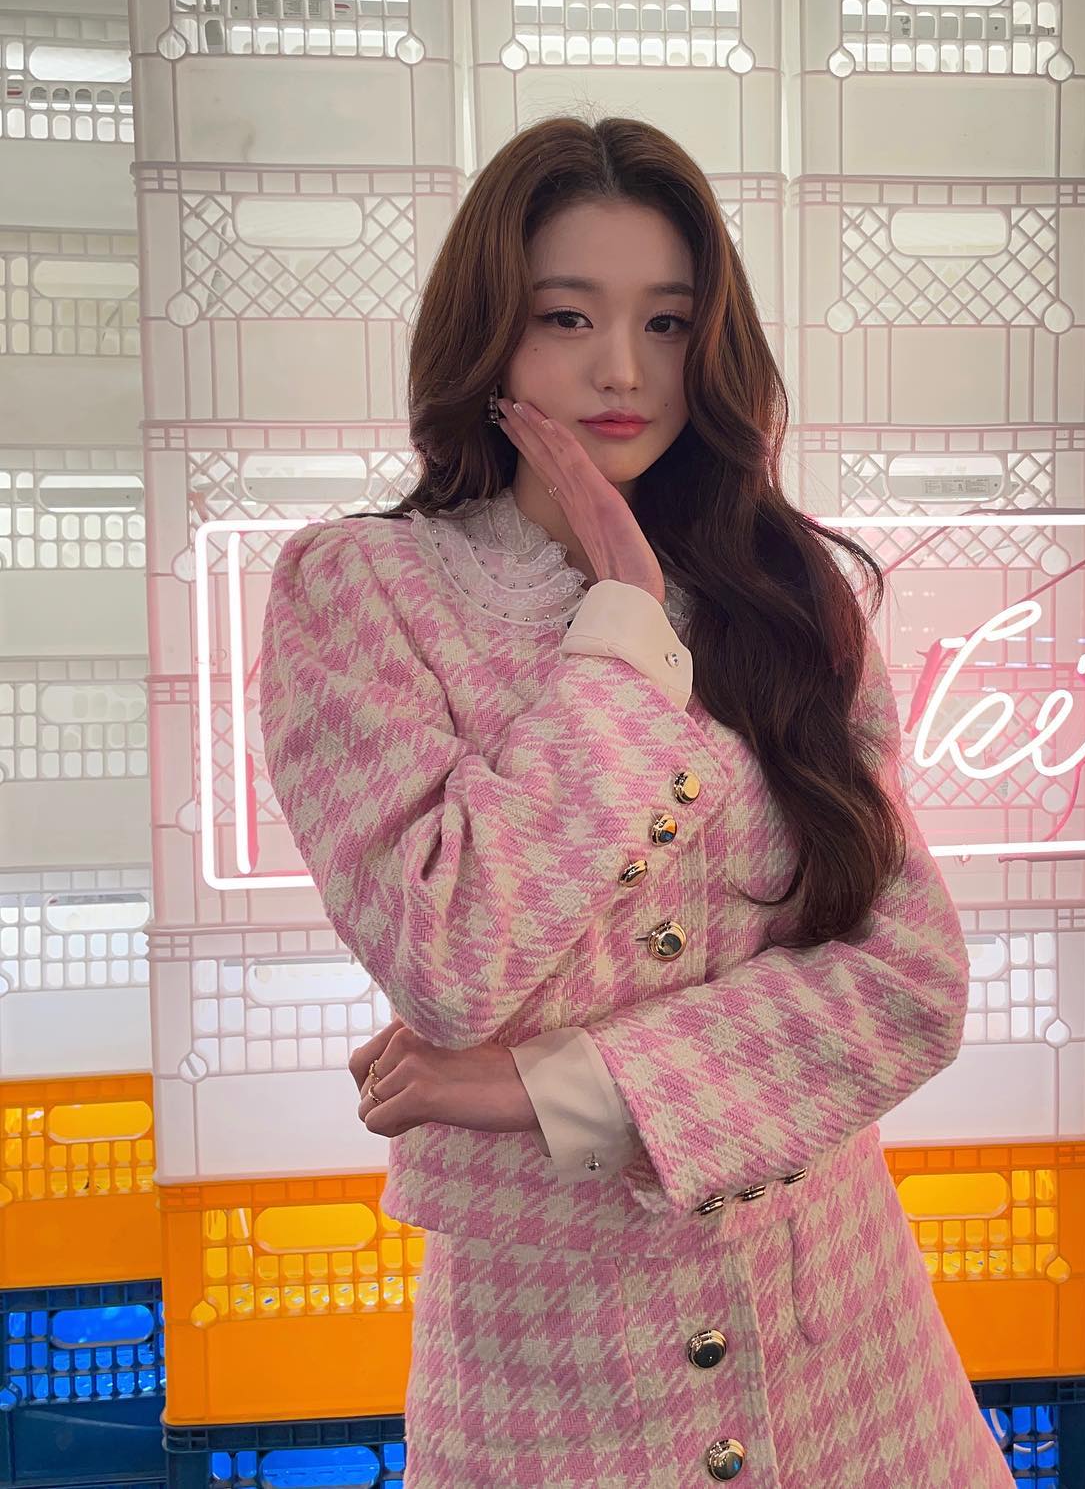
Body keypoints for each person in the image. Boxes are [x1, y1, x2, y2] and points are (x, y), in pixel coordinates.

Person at [256, 114, 1014, 1488]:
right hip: (552, 1379)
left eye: (667, 323)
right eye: (568, 317)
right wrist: (620, 628)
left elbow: (909, 982)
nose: (622, 370)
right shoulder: (361, 589)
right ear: (487, 332)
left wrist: (549, 1086)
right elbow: (455, 954)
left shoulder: (787, 592)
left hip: (848, 1354)